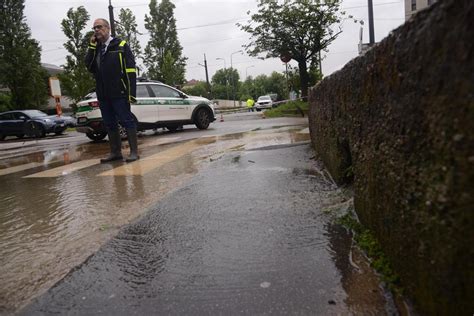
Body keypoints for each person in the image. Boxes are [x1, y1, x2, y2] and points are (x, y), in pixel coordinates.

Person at [85, 18, 139, 163]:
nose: (97, 30)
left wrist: (131, 94)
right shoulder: (96, 48)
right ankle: (116, 152)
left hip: (119, 93)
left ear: (108, 28)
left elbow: (130, 71)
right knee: (109, 123)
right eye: (94, 28)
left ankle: (134, 152)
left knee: (127, 120)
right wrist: (91, 47)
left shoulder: (121, 45)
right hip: (103, 94)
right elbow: (89, 67)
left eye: (99, 27)